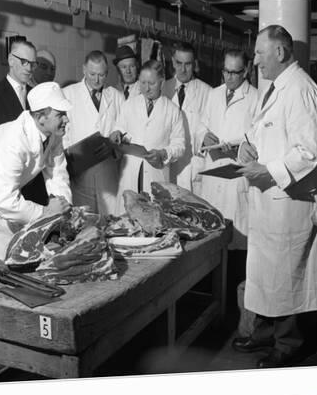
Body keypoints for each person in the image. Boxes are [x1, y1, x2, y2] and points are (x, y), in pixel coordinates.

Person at [232, 25, 317, 368]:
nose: (255, 61)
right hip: (268, 202)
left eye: (259, 53)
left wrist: (269, 171)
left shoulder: (300, 89)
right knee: (267, 273)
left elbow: (309, 152)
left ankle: (289, 344)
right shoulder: (278, 88)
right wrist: (248, 146)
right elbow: (265, 132)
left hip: (287, 202)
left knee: (286, 275)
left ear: (280, 53)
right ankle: (264, 333)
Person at [0, 82, 72, 261]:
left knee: (14, 261)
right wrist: (45, 212)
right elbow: (4, 202)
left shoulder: (53, 134)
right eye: (60, 115)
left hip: (8, 201)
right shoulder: (12, 142)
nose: (66, 119)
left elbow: (56, 171)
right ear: (41, 117)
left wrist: (62, 204)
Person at [197, 49, 259, 250]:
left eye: (235, 72)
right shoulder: (213, 94)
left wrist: (242, 146)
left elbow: (260, 138)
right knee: (210, 244)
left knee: (235, 244)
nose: (229, 77)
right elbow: (201, 126)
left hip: (236, 177)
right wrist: (203, 136)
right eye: (226, 71)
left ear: (246, 71)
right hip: (212, 172)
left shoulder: (256, 98)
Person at [0, 38, 48, 205]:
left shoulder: (37, 97)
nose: (29, 68)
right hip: (7, 186)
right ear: (11, 60)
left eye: (33, 63)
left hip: (36, 187)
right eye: (24, 62)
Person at [109, 60, 185, 214]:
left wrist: (163, 153)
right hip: (130, 173)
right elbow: (119, 128)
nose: (146, 88)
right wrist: (115, 133)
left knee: (154, 223)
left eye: (151, 83)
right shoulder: (129, 105)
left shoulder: (173, 110)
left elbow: (180, 145)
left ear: (162, 82)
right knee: (126, 223)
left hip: (156, 172)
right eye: (142, 82)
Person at [62, 51, 125, 215]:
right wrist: (70, 160)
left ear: (107, 73)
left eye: (102, 75)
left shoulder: (117, 97)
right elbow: (62, 134)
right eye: (92, 74)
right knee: (85, 226)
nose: (97, 80)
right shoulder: (67, 94)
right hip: (80, 174)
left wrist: (118, 138)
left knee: (111, 224)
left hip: (108, 173)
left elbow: (126, 129)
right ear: (83, 70)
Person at [163, 42, 212, 192]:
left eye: (188, 64)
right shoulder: (163, 89)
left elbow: (209, 130)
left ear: (194, 64)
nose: (183, 70)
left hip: (194, 167)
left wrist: (206, 138)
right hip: (168, 166)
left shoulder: (208, 92)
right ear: (172, 61)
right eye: (179, 63)